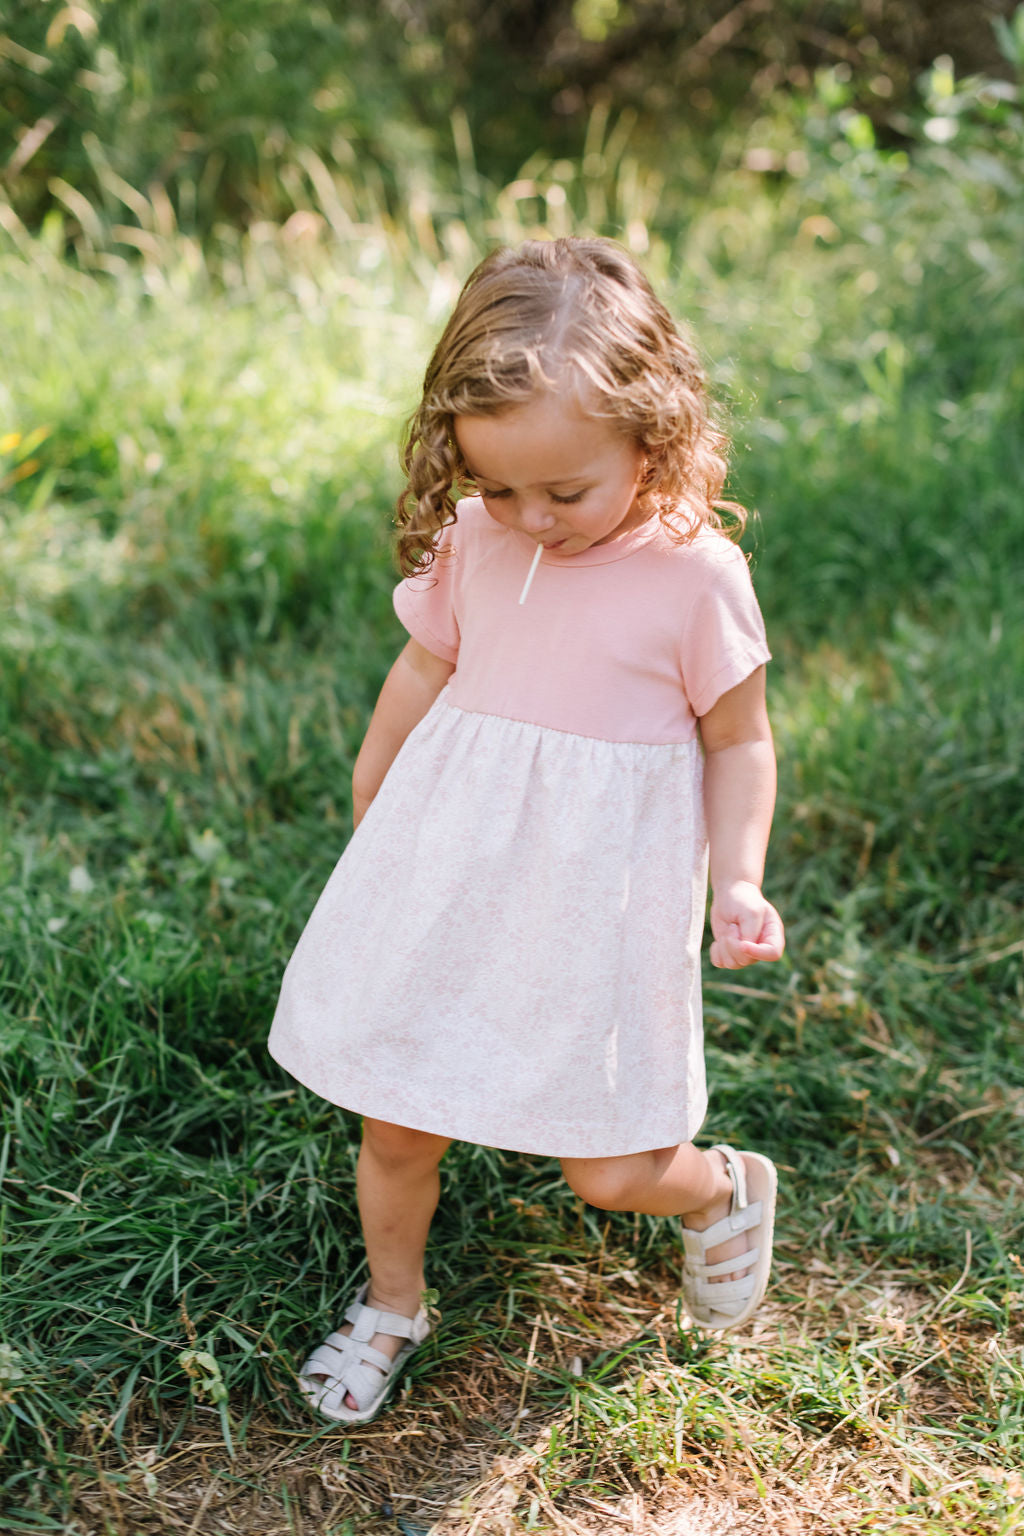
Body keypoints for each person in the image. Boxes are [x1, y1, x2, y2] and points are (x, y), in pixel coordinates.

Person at [268, 236, 785, 1424]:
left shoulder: (694, 577)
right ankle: (393, 1303)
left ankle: (716, 1189)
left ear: (650, 442)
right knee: (398, 1120)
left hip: (594, 905)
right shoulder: (479, 539)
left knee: (606, 1169)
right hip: (448, 874)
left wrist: (739, 881)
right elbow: (423, 667)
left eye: (565, 491)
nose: (530, 518)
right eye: (499, 486)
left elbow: (738, 738)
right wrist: (374, 782)